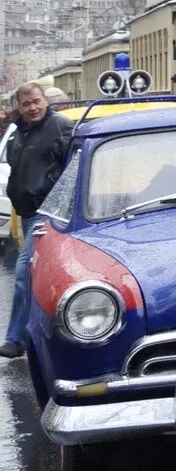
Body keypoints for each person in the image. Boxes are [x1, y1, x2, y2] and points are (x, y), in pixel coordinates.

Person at [0, 84, 75, 358]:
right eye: (26, 104)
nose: (32, 108)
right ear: (19, 107)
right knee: (38, 276)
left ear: (45, 101)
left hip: (47, 214)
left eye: (36, 101)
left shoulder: (61, 127)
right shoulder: (19, 131)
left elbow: (72, 171)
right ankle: (44, 336)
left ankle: (16, 340)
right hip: (26, 213)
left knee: (23, 273)